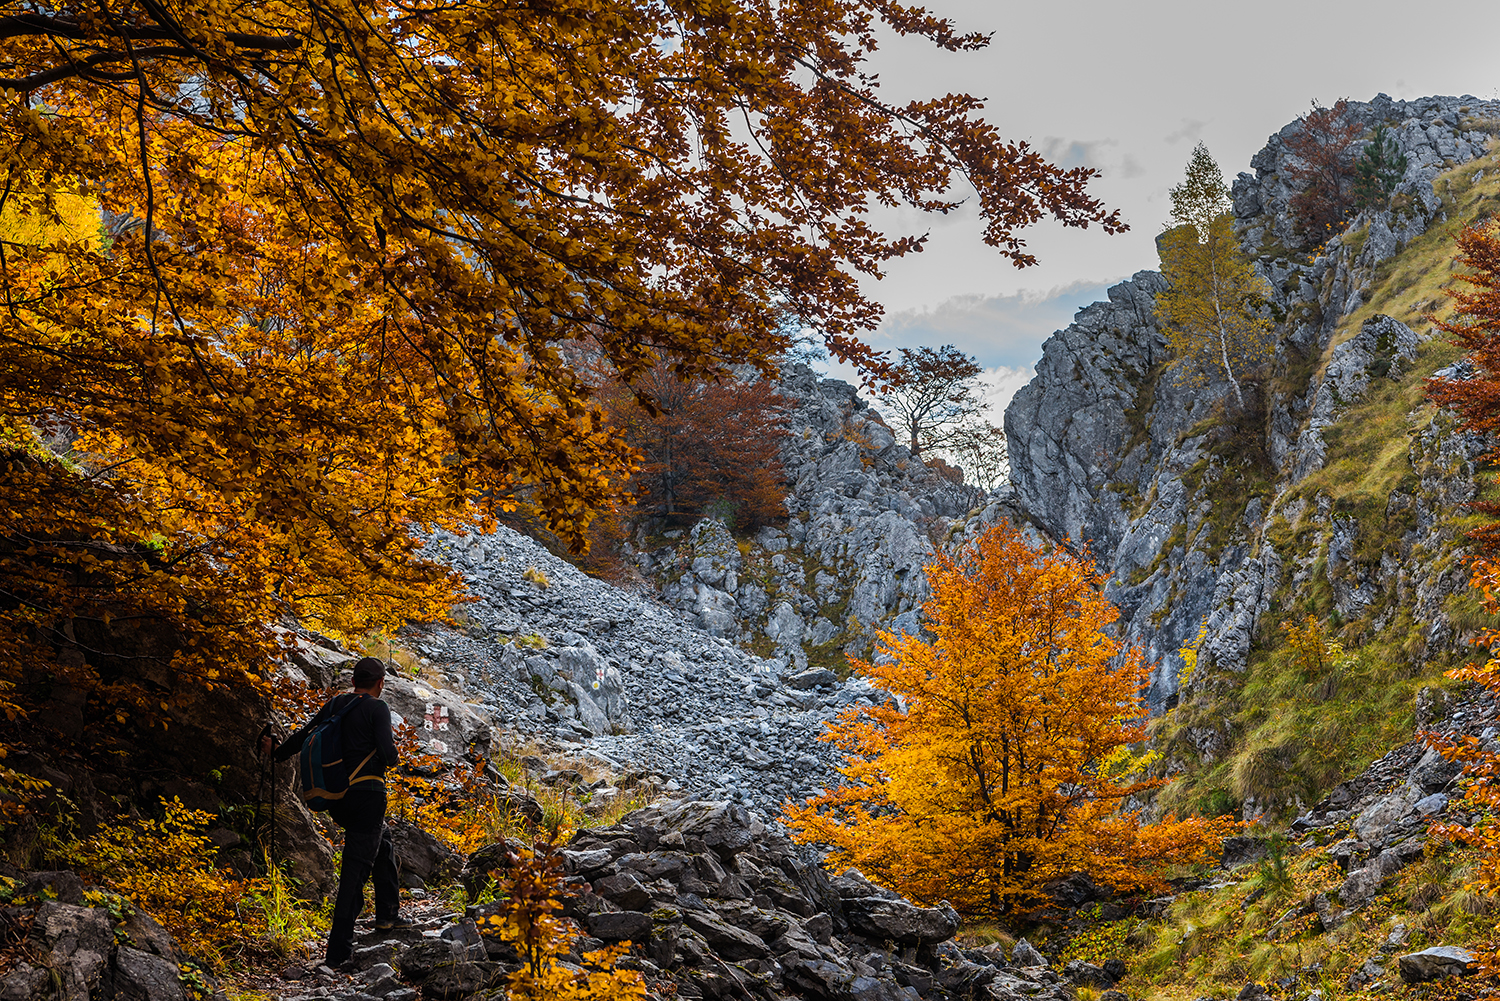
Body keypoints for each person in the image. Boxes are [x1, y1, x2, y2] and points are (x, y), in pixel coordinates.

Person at [262, 657, 410, 967]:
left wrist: (277, 753)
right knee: (355, 871)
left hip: (338, 798)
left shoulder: (336, 704)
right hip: (368, 796)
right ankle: (337, 953)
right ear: (380, 682)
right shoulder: (377, 708)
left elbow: (304, 737)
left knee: (382, 842)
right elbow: (389, 755)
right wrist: (392, 754)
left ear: (355, 680)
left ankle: (387, 915)